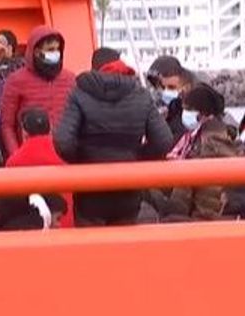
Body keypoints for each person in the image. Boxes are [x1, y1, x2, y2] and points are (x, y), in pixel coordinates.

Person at [54, 48, 173, 226]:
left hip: (90, 186)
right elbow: (164, 141)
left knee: (91, 247)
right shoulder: (140, 94)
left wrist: (83, 158)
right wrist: (137, 157)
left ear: (95, 68)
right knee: (124, 247)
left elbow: (63, 141)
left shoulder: (80, 93)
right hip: (128, 183)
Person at [166, 84, 245, 220]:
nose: (185, 114)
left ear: (201, 113)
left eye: (187, 109)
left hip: (204, 222)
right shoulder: (236, 143)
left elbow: (180, 203)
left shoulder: (197, 148)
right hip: (236, 220)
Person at [0, 26, 76, 157]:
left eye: (58, 49)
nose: (55, 53)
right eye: (50, 49)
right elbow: (7, 125)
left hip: (64, 158)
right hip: (29, 159)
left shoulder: (70, 79)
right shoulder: (16, 80)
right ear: (36, 51)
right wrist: (17, 155)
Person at [6, 107, 74, 228]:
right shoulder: (65, 156)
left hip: (29, 233)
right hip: (66, 230)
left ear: (24, 132)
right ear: (51, 129)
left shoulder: (14, 162)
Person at [145, 55, 196, 142]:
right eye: (159, 87)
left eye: (171, 87)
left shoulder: (193, 109)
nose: (164, 91)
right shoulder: (163, 109)